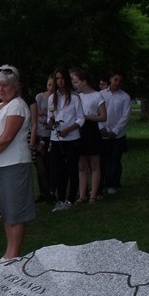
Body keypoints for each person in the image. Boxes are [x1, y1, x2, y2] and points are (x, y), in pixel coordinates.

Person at [0, 65, 35, 260]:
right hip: (0, 164)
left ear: (16, 86)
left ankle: (14, 254)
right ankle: (8, 252)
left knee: (15, 210)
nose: (0, 89)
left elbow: (7, 137)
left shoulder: (17, 106)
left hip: (14, 163)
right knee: (7, 210)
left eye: (5, 85)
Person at [48, 67, 83, 212]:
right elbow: (50, 117)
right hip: (56, 138)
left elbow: (80, 118)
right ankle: (60, 198)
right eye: (57, 79)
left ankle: (71, 198)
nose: (60, 81)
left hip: (72, 138)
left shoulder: (75, 97)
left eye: (62, 78)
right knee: (58, 169)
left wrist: (68, 129)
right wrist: (51, 123)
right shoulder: (52, 98)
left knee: (72, 168)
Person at [72, 68, 106, 203]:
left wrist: (88, 117)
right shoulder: (76, 96)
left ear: (84, 81)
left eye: (76, 82)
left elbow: (103, 116)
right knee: (81, 164)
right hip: (80, 130)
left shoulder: (97, 96)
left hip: (92, 130)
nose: (74, 85)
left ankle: (94, 194)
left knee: (94, 163)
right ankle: (82, 195)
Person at [100, 71, 131, 195]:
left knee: (115, 160)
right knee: (103, 161)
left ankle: (113, 184)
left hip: (118, 134)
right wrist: (101, 127)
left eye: (120, 81)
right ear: (111, 79)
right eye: (116, 80)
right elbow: (96, 111)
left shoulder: (125, 97)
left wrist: (115, 131)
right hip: (103, 133)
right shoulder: (101, 94)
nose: (117, 83)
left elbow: (125, 116)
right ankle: (102, 184)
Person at [33, 74, 55, 203]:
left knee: (50, 163)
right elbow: (35, 113)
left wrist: (45, 115)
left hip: (51, 134)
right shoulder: (39, 97)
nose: (50, 87)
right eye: (49, 84)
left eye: (53, 85)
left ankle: (51, 190)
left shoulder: (56, 98)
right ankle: (43, 191)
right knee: (40, 165)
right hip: (40, 133)